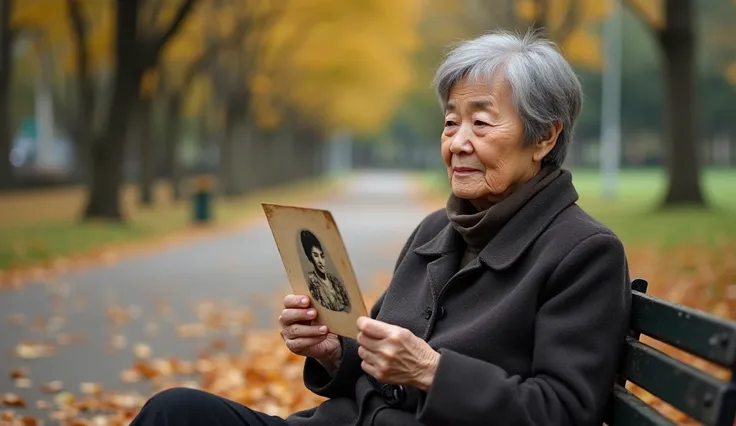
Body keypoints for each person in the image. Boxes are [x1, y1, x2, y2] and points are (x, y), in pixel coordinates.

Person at [129, 29, 631, 426]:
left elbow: (562, 411)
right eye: (450, 122)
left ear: (544, 136)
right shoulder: (437, 229)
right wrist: (333, 351)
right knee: (175, 410)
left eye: (481, 123)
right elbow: (376, 361)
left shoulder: (583, 253)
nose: (457, 142)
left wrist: (434, 373)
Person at [299, 229, 351, 313]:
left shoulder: (335, 281)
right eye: (315, 255)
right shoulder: (311, 282)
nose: (320, 261)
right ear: (310, 258)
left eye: (322, 256)